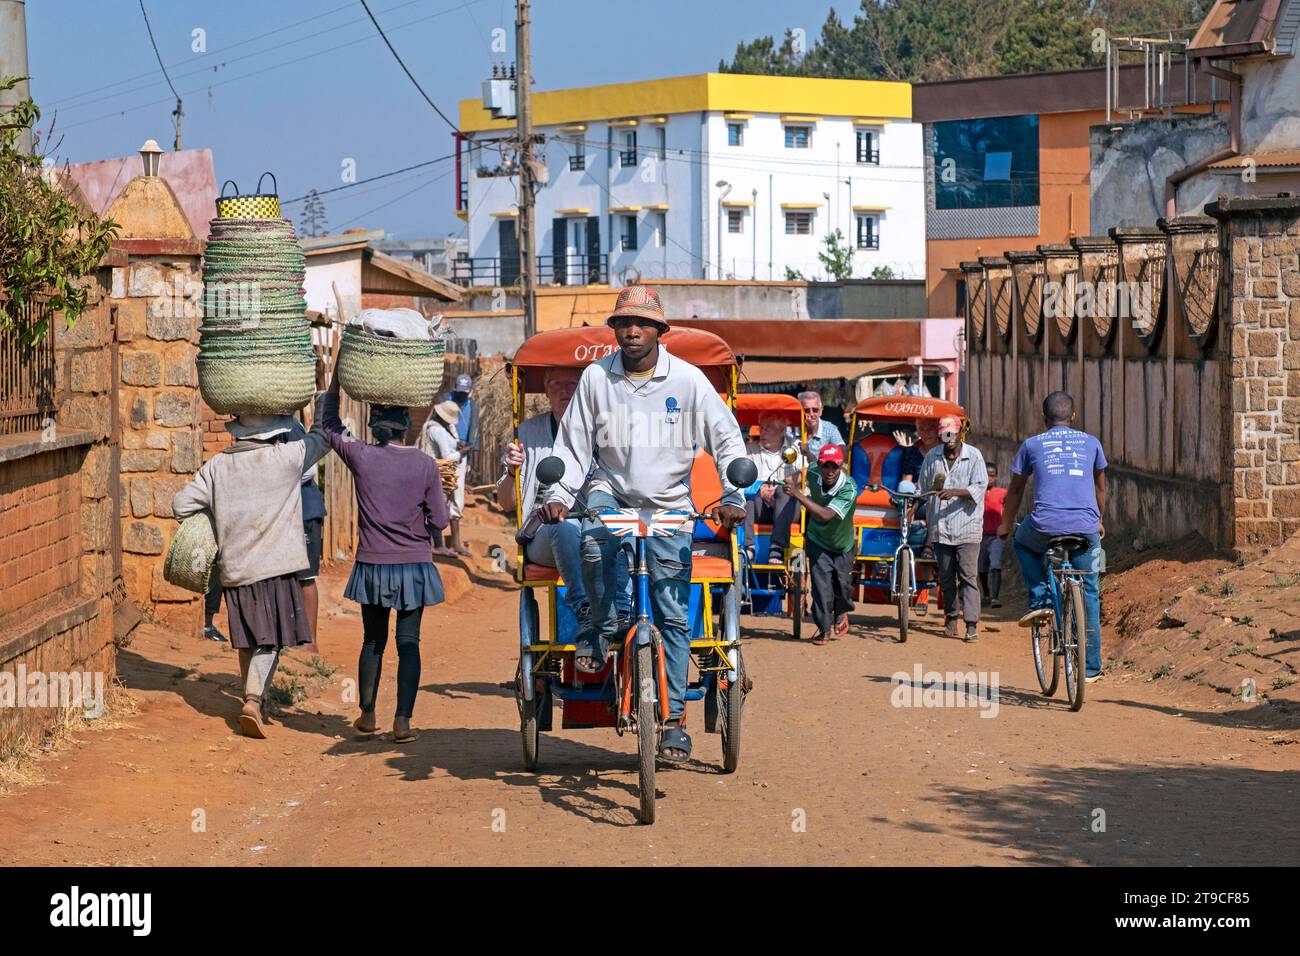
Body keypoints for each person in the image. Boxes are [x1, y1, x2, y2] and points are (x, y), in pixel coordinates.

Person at [540, 285, 748, 763]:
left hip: (670, 501)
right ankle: (599, 625)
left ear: (659, 331)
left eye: (642, 324)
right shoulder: (595, 379)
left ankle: (673, 722)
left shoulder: (690, 381)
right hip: (609, 489)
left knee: (674, 617)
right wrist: (556, 493)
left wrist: (732, 493)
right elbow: (572, 448)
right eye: (623, 324)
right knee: (591, 544)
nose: (632, 331)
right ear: (614, 331)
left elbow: (726, 439)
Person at [173, 410, 331, 739]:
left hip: (235, 569)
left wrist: (217, 519)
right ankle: (254, 699)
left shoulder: (217, 466)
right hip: (277, 568)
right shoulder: (286, 458)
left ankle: (255, 697)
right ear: (274, 434)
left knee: (247, 639)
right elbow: (323, 438)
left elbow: (181, 506)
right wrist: (327, 398)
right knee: (270, 639)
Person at [321, 373, 449, 743]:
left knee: (373, 641)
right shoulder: (426, 466)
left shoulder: (362, 456)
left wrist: (334, 384)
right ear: (407, 428)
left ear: (375, 427)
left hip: (373, 566)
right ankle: (403, 722)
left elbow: (328, 425)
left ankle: (367, 715)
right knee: (409, 643)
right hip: (414, 567)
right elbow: (440, 520)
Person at [998, 391, 1107, 682]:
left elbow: (1017, 490)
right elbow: (1100, 490)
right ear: (1074, 416)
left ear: (1043, 418)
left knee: (1022, 542)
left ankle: (1040, 601)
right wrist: (1099, 521)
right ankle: (1091, 667)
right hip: (1086, 526)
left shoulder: (1032, 445)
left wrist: (1005, 525)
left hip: (1045, 526)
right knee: (1090, 589)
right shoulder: (1091, 443)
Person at [497, 366, 592, 626]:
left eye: (572, 384)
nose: (565, 391)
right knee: (564, 526)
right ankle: (582, 605)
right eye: (557, 385)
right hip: (544, 535)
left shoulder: (600, 431)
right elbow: (506, 502)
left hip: (594, 532)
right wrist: (512, 472)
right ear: (547, 393)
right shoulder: (528, 434)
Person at [918, 414, 987, 642]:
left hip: (967, 527)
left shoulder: (974, 456)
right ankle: (951, 616)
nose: (948, 439)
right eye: (944, 434)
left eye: (952, 434)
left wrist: (955, 492)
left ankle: (971, 624)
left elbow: (979, 487)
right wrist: (914, 505)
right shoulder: (932, 457)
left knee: (968, 576)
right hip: (940, 527)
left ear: (959, 434)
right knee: (946, 577)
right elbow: (924, 488)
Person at [783, 445, 857, 645]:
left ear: (842, 467)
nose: (830, 471)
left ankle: (841, 612)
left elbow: (825, 515)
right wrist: (806, 453)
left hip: (843, 545)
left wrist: (797, 494)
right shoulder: (815, 469)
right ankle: (824, 630)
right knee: (821, 589)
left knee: (843, 589)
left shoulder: (849, 488)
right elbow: (815, 462)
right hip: (817, 541)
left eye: (835, 466)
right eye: (826, 466)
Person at [743, 409, 804, 565]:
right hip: (759, 506)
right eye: (761, 427)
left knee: (785, 491)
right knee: (747, 495)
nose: (762, 432)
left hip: (787, 506)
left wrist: (780, 486)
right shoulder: (750, 449)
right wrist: (760, 488)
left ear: (782, 430)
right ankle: (748, 546)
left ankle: (776, 547)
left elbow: (804, 473)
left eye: (767, 428)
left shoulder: (795, 447)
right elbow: (744, 478)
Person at [418, 401, 466, 557]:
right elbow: (446, 457)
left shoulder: (428, 426)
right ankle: (438, 545)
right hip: (437, 473)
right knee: (437, 507)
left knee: (425, 507)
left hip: (425, 469)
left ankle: (428, 543)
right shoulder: (438, 431)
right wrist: (462, 453)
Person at [445, 372, 478, 556]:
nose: (462, 396)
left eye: (465, 393)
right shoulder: (445, 400)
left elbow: (475, 431)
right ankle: (431, 540)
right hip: (444, 454)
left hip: (462, 456)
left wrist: (469, 457)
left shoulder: (473, 405)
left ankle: (456, 542)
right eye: (459, 392)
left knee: (457, 498)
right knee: (440, 495)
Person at [979, 463, 1007, 608]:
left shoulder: (1002, 493)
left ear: (996, 477)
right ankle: (986, 593)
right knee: (981, 568)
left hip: (996, 537)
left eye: (992, 475)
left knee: (995, 565)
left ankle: (995, 598)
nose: (988, 478)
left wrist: (1006, 527)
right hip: (979, 537)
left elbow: (1008, 511)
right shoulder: (976, 492)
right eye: (986, 474)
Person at [791, 390, 844, 462]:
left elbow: (842, 451)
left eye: (815, 410)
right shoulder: (790, 431)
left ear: (821, 411)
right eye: (806, 410)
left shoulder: (830, 429)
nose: (811, 414)